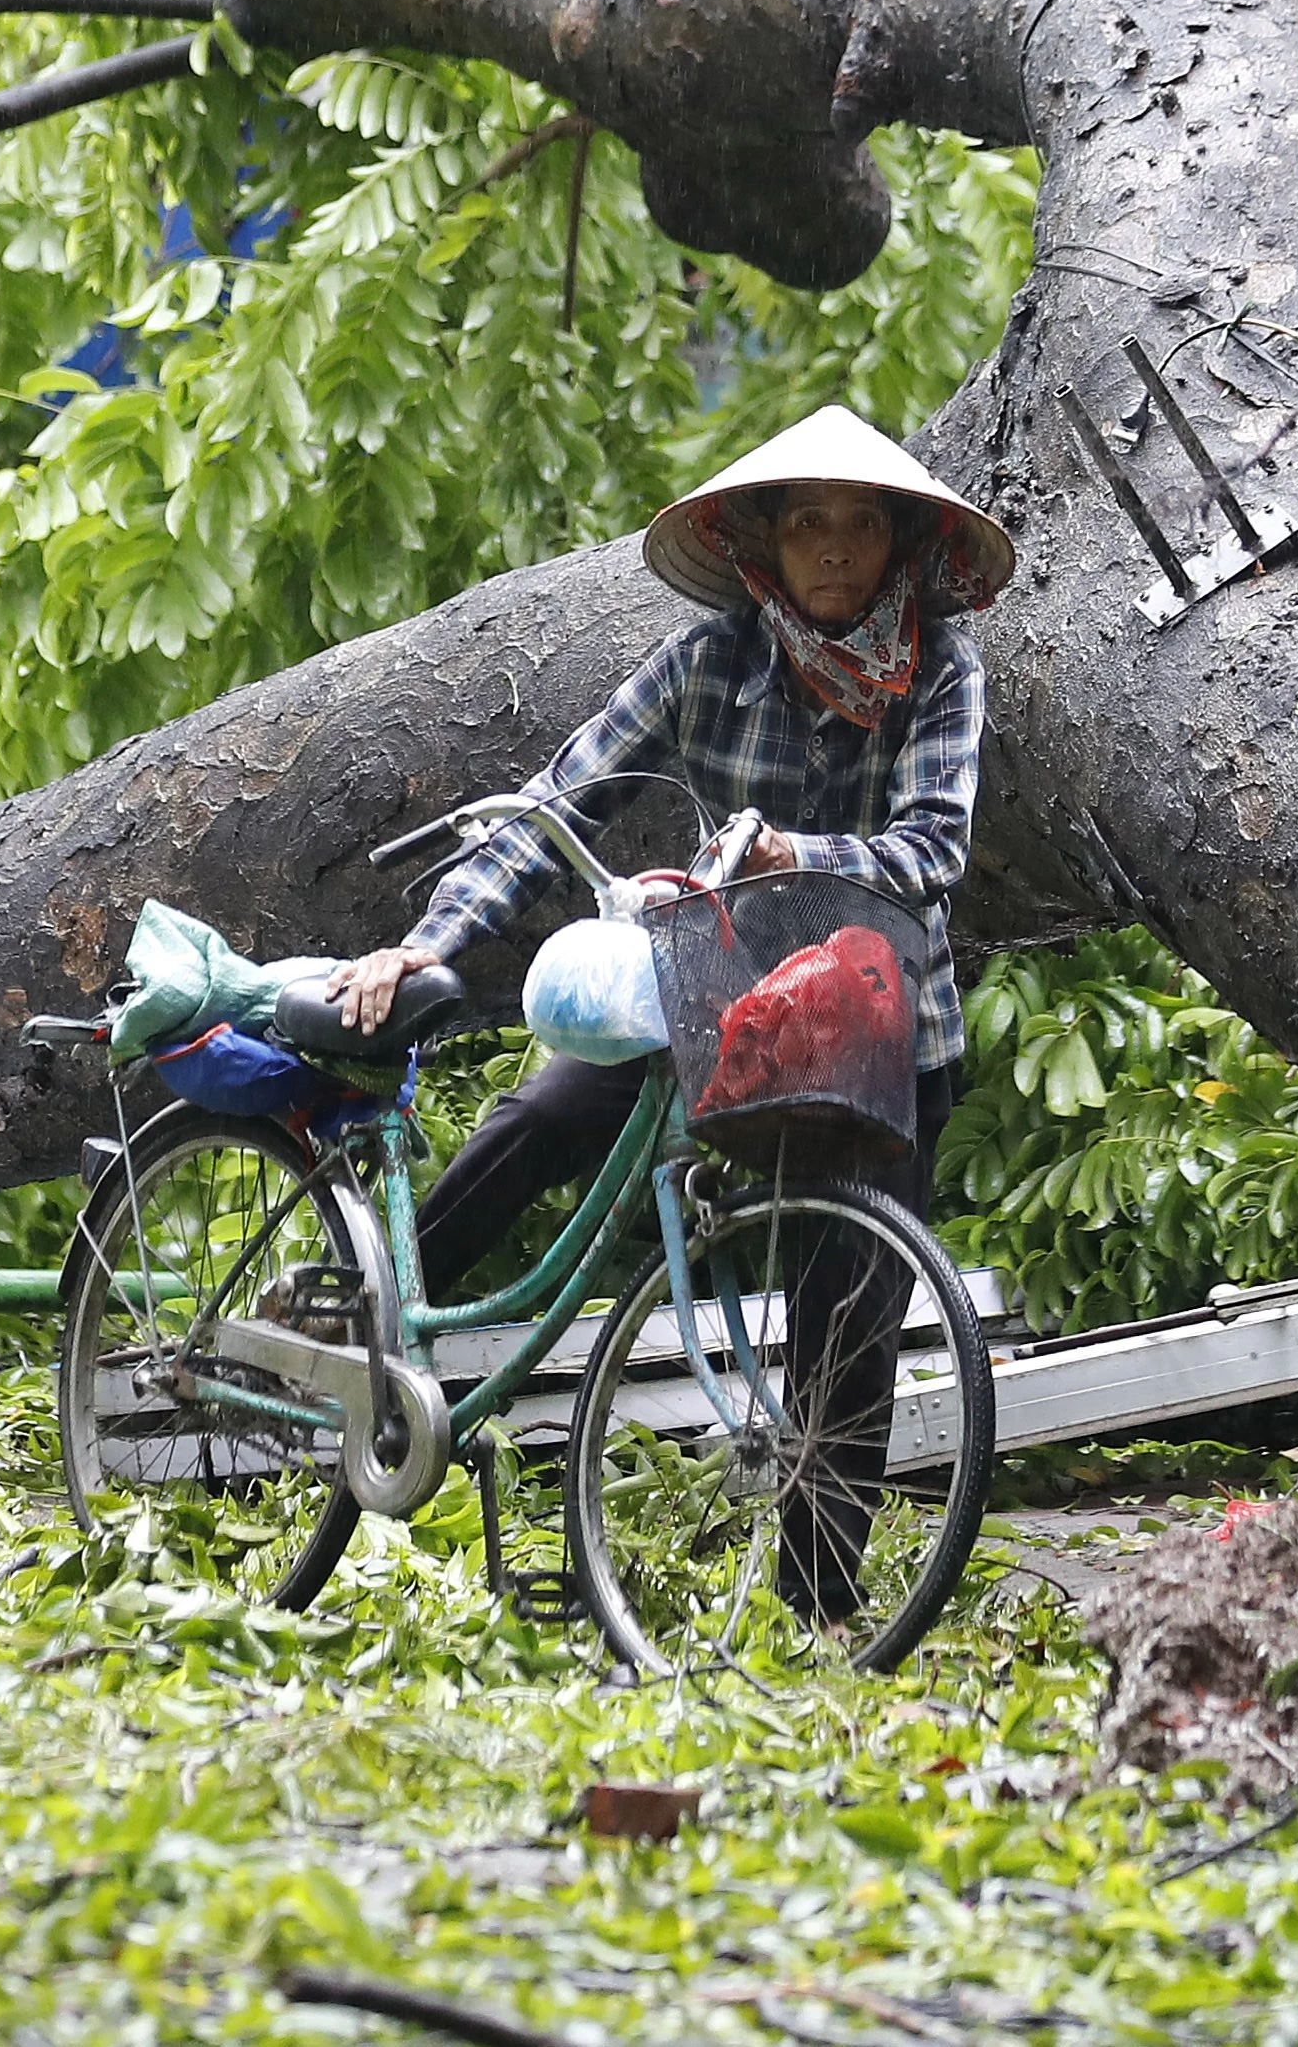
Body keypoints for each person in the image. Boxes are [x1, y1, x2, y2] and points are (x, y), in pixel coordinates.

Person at [320, 404, 1017, 1624]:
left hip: (876, 1025)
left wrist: (786, 851)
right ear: (765, 544)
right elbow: (562, 797)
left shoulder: (941, 671)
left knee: (848, 1295)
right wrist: (425, 940)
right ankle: (360, 1313)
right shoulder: (710, 661)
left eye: (861, 524)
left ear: (899, 543)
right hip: (714, 999)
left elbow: (931, 852)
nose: (837, 548)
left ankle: (818, 1608)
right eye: (810, 522)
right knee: (541, 1112)